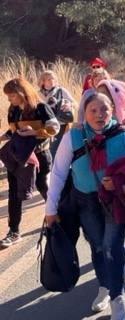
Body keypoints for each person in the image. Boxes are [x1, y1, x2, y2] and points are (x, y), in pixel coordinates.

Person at [45, 93, 125, 319]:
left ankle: (117, 298)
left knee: (112, 248)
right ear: (84, 112)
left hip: (116, 202)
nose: (99, 115)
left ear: (113, 110)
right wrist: (50, 210)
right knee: (98, 247)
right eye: (93, 110)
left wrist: (121, 182)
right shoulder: (72, 136)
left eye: (104, 109)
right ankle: (104, 287)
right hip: (86, 202)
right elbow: (59, 173)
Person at [1, 78, 60, 248]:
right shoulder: (13, 110)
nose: (9, 99)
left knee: (43, 186)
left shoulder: (41, 108)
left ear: (21, 93)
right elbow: (14, 132)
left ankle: (57, 220)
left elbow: (54, 128)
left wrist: (34, 132)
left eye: (11, 95)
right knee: (13, 192)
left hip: (40, 156)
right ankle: (14, 232)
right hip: (18, 157)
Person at [39, 70, 76, 157]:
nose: (51, 81)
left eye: (53, 79)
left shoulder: (61, 91)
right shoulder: (38, 94)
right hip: (43, 125)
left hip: (60, 124)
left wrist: (69, 105)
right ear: (43, 81)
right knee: (45, 149)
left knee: (56, 149)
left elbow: (74, 103)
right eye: (48, 79)